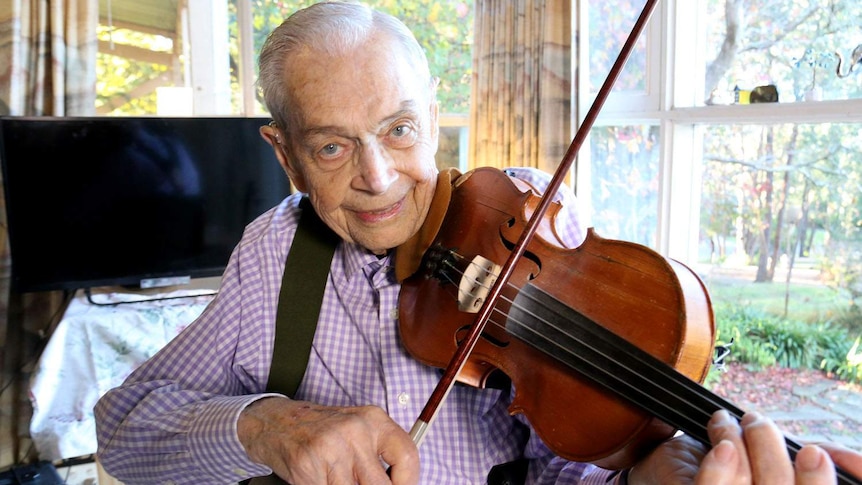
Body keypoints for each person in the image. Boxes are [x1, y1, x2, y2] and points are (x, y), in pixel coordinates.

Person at [94, 2, 862, 484]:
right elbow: (123, 426)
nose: (379, 176)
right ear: (285, 154)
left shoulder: (526, 210)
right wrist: (264, 424)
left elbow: (567, 455)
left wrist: (645, 475)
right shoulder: (271, 255)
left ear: (434, 118)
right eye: (332, 147)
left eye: (400, 130)